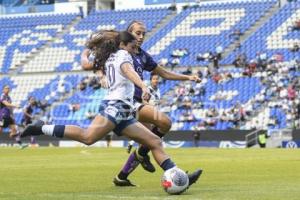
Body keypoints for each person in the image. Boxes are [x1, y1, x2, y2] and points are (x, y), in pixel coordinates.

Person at [21, 31, 201, 189]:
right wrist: (143, 85)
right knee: (87, 137)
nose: (133, 49)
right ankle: (41, 127)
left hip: (124, 110)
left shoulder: (111, 56)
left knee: (154, 141)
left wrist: (85, 53)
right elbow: (128, 70)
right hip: (115, 106)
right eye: (131, 45)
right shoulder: (123, 55)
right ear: (123, 45)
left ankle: (178, 175)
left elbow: (90, 64)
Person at [82, 22, 202, 186]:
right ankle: (173, 173)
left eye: (143, 34)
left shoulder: (143, 56)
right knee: (164, 123)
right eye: (138, 33)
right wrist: (100, 74)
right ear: (128, 35)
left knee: (151, 141)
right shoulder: (119, 52)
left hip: (136, 103)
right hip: (127, 103)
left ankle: (123, 176)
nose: (141, 37)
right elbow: (92, 64)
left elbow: (164, 73)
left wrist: (187, 78)